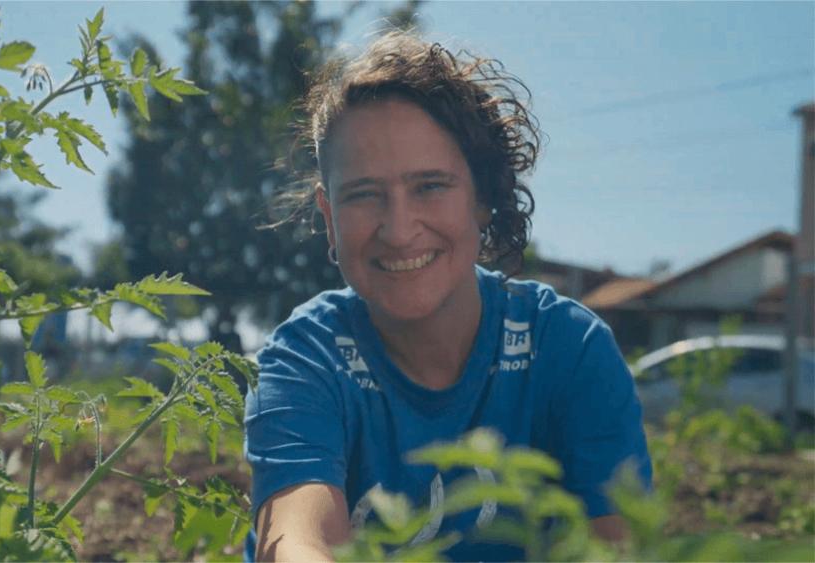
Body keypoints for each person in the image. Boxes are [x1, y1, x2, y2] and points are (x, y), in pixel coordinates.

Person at [244, 31, 652, 562]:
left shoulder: (568, 348)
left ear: (483, 198)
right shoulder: (306, 358)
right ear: (329, 217)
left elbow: (618, 547)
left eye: (429, 186)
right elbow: (297, 541)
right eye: (363, 195)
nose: (398, 228)